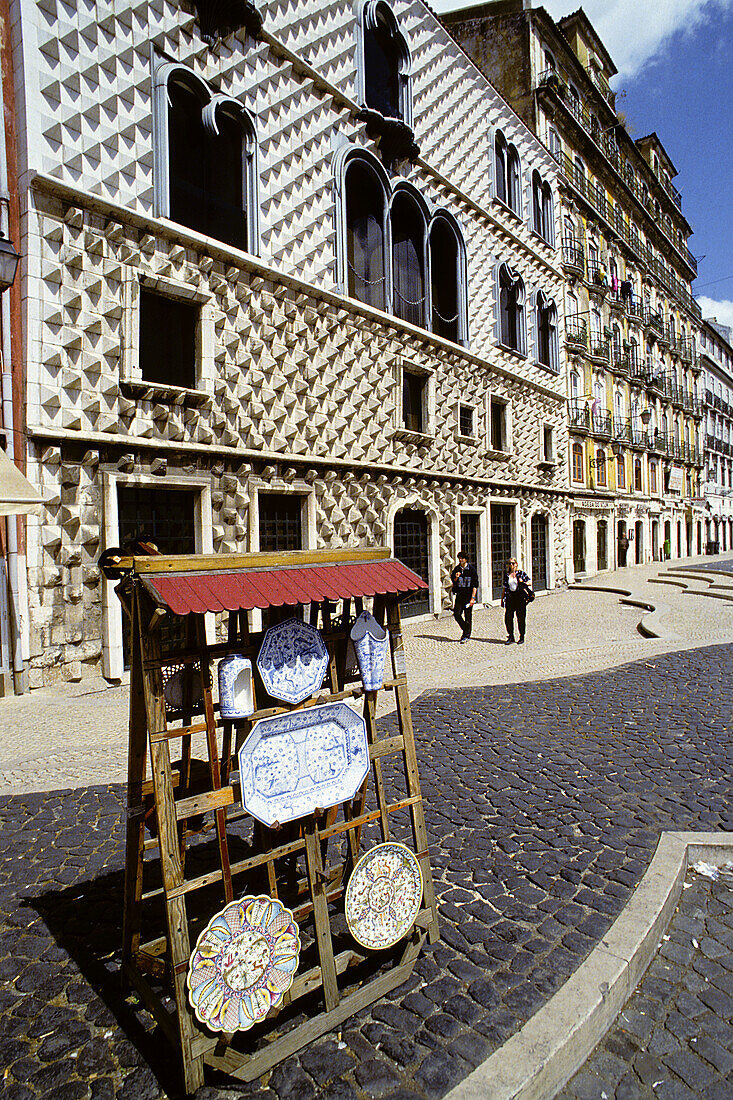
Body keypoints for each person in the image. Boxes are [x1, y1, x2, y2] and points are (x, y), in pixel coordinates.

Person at [501, 557, 532, 645]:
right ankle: (511, 636)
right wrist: (502, 599)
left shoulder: (521, 573)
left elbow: (530, 582)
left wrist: (523, 582)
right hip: (510, 597)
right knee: (508, 617)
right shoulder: (507, 575)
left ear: (516, 564)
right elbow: (504, 588)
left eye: (513, 563)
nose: (511, 565)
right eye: (510, 563)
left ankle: (522, 636)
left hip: (520, 598)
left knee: (521, 618)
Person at [450, 549, 478, 644]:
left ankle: (466, 635)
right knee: (457, 614)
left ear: (466, 559)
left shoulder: (472, 570)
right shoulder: (457, 569)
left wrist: (473, 598)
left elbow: (475, 585)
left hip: (468, 596)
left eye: (462, 558)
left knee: (468, 616)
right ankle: (466, 628)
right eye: (459, 558)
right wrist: (456, 577)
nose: (460, 560)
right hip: (460, 595)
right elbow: (453, 580)